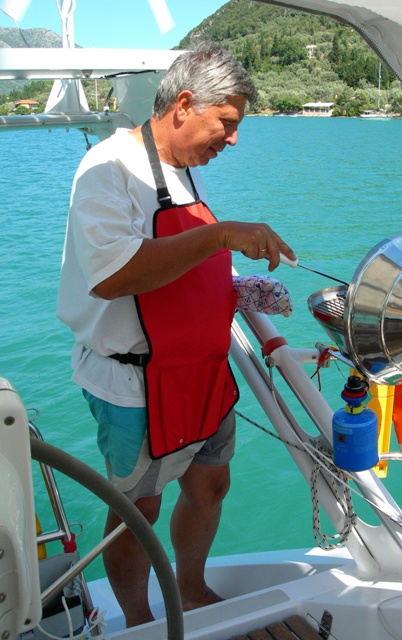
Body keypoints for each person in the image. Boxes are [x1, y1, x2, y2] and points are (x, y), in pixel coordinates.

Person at [57, 42, 296, 627]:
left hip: (203, 368)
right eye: (227, 123)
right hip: (136, 381)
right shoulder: (107, 170)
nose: (232, 140)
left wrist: (232, 286)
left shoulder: (181, 169)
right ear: (185, 103)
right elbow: (114, 275)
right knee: (139, 507)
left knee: (211, 483)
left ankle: (189, 589)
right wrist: (220, 238)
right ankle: (140, 622)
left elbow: (174, 257)